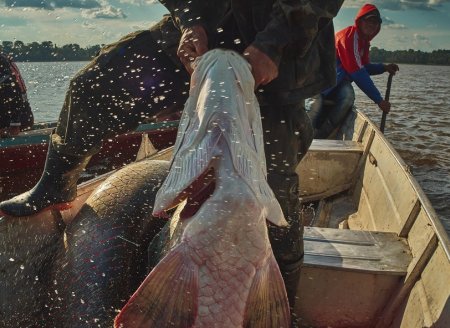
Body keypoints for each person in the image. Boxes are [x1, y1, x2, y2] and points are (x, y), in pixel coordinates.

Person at [0, 0, 344, 318]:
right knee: (95, 87)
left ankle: (279, 308)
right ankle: (57, 184)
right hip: (206, 34)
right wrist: (191, 21)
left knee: (271, 191)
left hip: (286, 42)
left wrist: (275, 42)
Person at [306, 3, 399, 139]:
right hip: (320, 81)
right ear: (360, 21)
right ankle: (302, 137)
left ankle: (320, 136)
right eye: (369, 20)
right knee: (315, 104)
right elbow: (357, 72)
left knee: (348, 96)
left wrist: (383, 67)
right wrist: (379, 100)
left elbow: (363, 67)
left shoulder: (364, 43)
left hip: (337, 83)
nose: (372, 25)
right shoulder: (349, 37)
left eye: (375, 22)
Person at [0, 51, 34, 137]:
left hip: (18, 118)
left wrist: (14, 125)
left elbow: (14, 92)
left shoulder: (1, 62)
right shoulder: (4, 58)